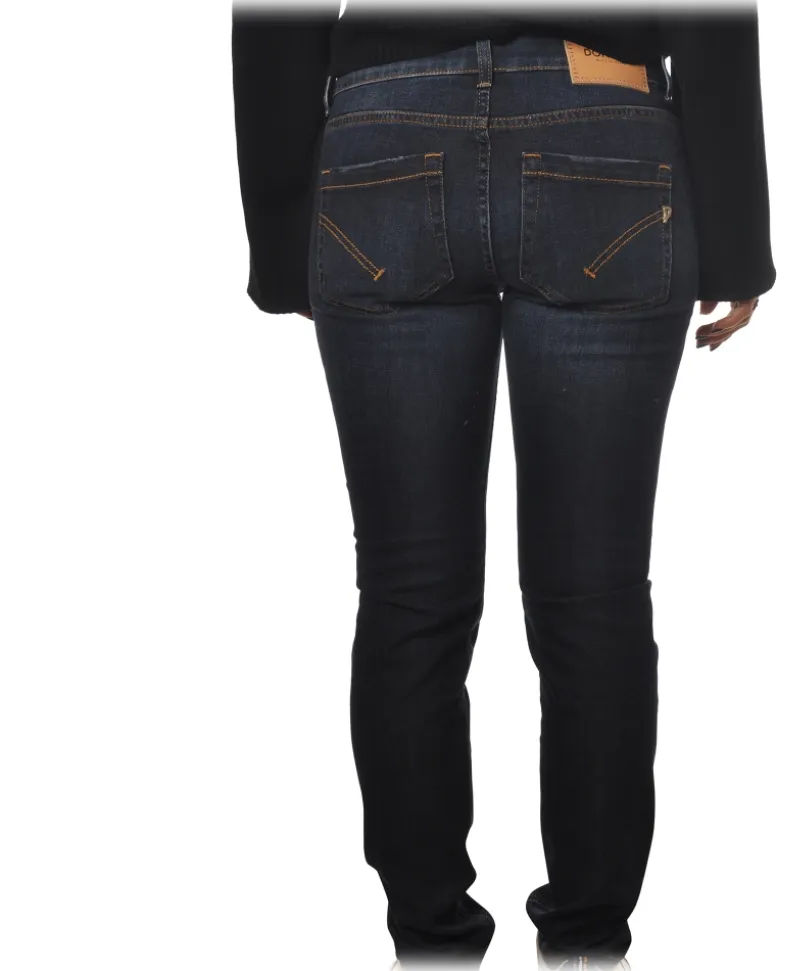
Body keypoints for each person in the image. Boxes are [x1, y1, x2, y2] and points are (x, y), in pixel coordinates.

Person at [231, 4, 776, 969]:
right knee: (595, 598)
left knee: (409, 596)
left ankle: (430, 947)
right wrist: (735, 233)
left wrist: (282, 241)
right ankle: (588, 948)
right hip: (601, 124)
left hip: (385, 131)